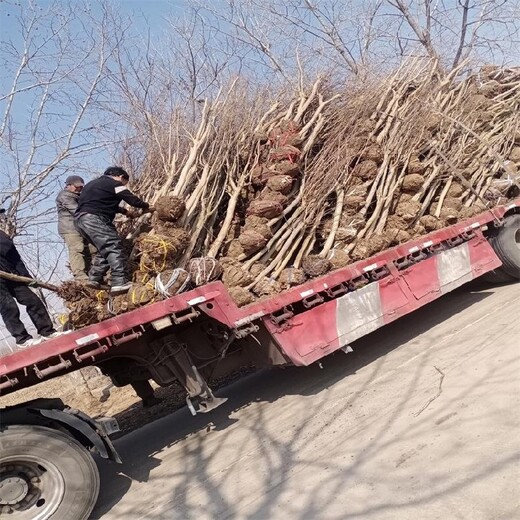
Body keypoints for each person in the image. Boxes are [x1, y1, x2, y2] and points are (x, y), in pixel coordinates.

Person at [75, 166, 150, 294]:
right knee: (113, 245)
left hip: (80, 221)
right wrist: (146, 206)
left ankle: (95, 278)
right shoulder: (115, 184)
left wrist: (125, 211)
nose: (123, 185)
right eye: (124, 182)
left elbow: (100, 201)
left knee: (104, 248)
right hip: (95, 218)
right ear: (121, 177)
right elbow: (132, 200)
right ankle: (120, 281)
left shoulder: (92, 185)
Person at [0, 209, 58, 348]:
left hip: (13, 275)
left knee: (32, 301)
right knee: (9, 308)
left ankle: (47, 331)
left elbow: (16, 259)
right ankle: (22, 339)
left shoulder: (3, 236)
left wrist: (26, 277)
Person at [56, 175, 95, 281]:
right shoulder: (64, 196)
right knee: (77, 249)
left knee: (92, 249)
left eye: (81, 187)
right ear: (68, 185)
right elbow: (76, 210)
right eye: (77, 186)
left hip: (80, 228)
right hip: (70, 229)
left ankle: (93, 273)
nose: (79, 189)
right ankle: (80, 276)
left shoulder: (79, 197)